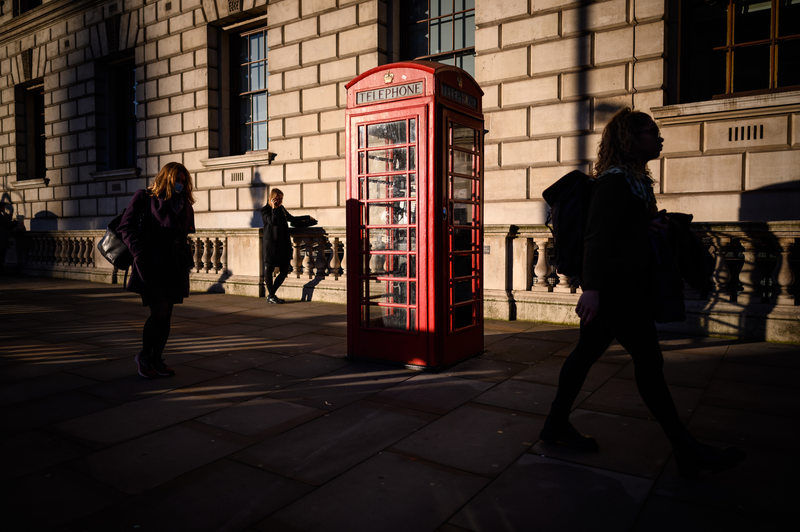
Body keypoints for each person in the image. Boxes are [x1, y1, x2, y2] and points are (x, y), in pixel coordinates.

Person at [540, 108, 745, 478]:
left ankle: (555, 425)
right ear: (631, 140)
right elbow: (596, 238)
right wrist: (593, 289)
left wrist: (654, 226)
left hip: (625, 286)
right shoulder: (616, 183)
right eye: (652, 132)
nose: (659, 138)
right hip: (617, 291)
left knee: (586, 355)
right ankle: (685, 449)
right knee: (649, 363)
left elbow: (622, 232)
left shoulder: (635, 182)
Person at [118, 162, 196, 379]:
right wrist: (139, 253)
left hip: (174, 265)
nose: (180, 185)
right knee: (159, 312)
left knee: (167, 315)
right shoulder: (145, 197)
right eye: (177, 180)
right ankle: (144, 356)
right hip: (151, 263)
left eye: (183, 181)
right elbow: (126, 226)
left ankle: (157, 359)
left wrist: (187, 258)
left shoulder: (185, 205)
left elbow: (184, 235)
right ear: (166, 178)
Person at [260, 188, 313, 304]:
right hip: (271, 245)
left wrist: (307, 218)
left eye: (281, 199)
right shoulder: (265, 210)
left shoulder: (282, 209)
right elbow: (273, 222)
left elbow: (292, 219)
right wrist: (274, 208)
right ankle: (272, 295)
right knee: (269, 269)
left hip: (282, 244)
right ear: (271, 198)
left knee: (284, 270)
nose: (280, 201)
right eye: (277, 199)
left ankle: (271, 294)